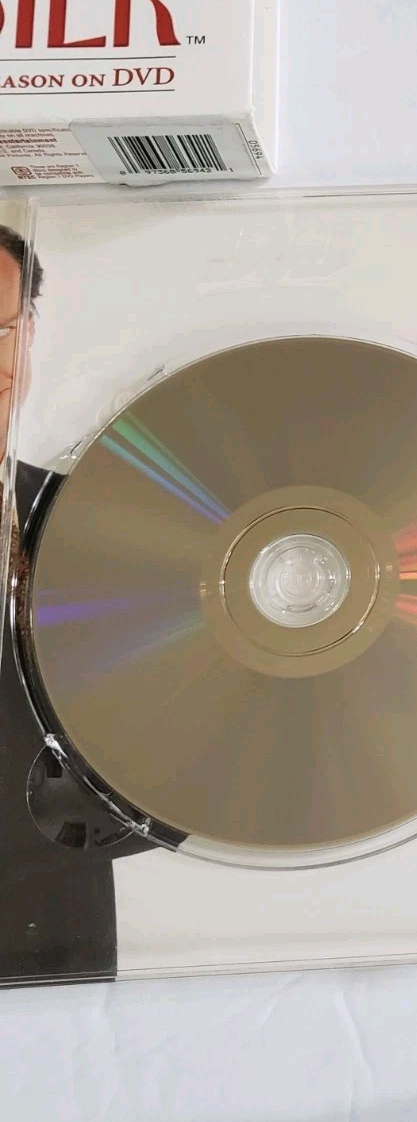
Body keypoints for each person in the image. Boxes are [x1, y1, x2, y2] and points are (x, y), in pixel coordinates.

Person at [0, 224, 154, 985]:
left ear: (30, 332)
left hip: (54, 946)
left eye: (1, 328)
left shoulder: (95, 520)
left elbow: (192, 745)